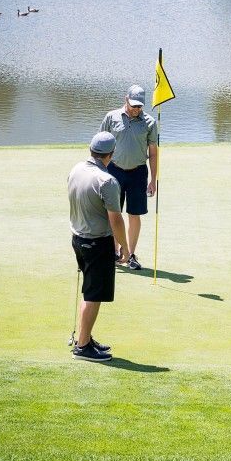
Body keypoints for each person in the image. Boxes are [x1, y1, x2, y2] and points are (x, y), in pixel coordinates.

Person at [68, 131, 130, 362]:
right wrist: (124, 246)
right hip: (98, 243)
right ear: (111, 154)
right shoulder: (107, 181)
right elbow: (115, 218)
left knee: (89, 290)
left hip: (78, 239)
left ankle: (85, 337)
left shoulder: (76, 170)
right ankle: (83, 347)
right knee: (94, 295)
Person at [100, 85, 158, 271]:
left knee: (134, 214)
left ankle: (131, 254)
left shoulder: (149, 122)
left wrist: (153, 180)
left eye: (139, 106)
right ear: (126, 99)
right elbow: (100, 147)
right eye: (133, 105)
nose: (136, 109)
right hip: (114, 172)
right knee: (113, 214)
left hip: (138, 172)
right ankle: (115, 252)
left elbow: (154, 153)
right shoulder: (111, 117)